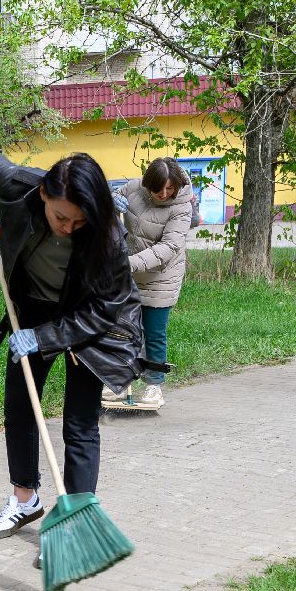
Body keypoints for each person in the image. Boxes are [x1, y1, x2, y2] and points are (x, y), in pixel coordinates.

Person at [0, 151, 145, 538]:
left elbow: (105, 309)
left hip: (92, 322)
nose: (68, 228)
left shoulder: (108, 234)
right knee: (21, 405)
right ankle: (25, 499)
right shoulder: (17, 185)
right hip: (33, 305)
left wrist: (44, 338)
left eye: (79, 222)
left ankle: (74, 520)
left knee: (79, 422)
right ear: (44, 194)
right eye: (61, 217)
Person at [104, 158, 192, 411]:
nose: (164, 194)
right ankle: (118, 382)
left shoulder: (182, 208)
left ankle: (154, 385)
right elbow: (104, 202)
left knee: (153, 334)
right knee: (123, 330)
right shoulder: (133, 189)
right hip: (128, 275)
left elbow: (168, 248)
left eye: (169, 189)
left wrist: (126, 264)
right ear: (146, 184)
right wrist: (110, 201)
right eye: (158, 189)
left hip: (161, 279)